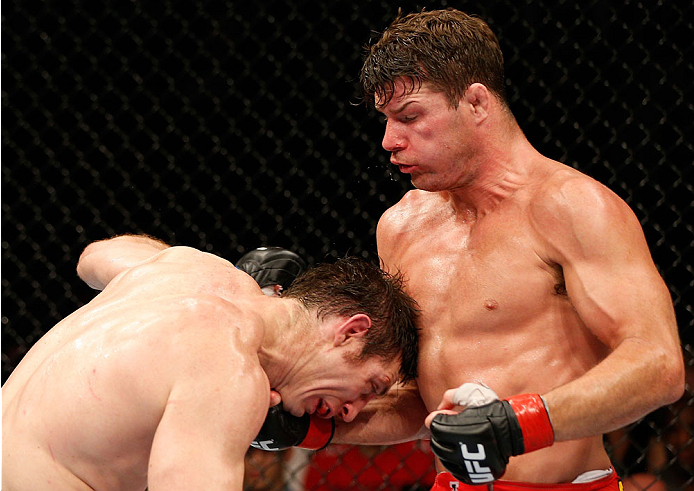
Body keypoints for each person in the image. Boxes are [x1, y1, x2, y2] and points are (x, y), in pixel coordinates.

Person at [255, 8, 685, 490]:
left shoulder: (571, 207)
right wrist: (313, 426)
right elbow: (422, 402)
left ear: (477, 103)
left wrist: (516, 423)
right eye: (386, 120)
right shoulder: (401, 226)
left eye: (410, 116)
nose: (389, 140)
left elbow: (657, 364)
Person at [0, 234, 420, 491]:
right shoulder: (231, 369)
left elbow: (95, 255)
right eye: (371, 387)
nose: (352, 411)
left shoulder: (185, 267)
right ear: (350, 332)